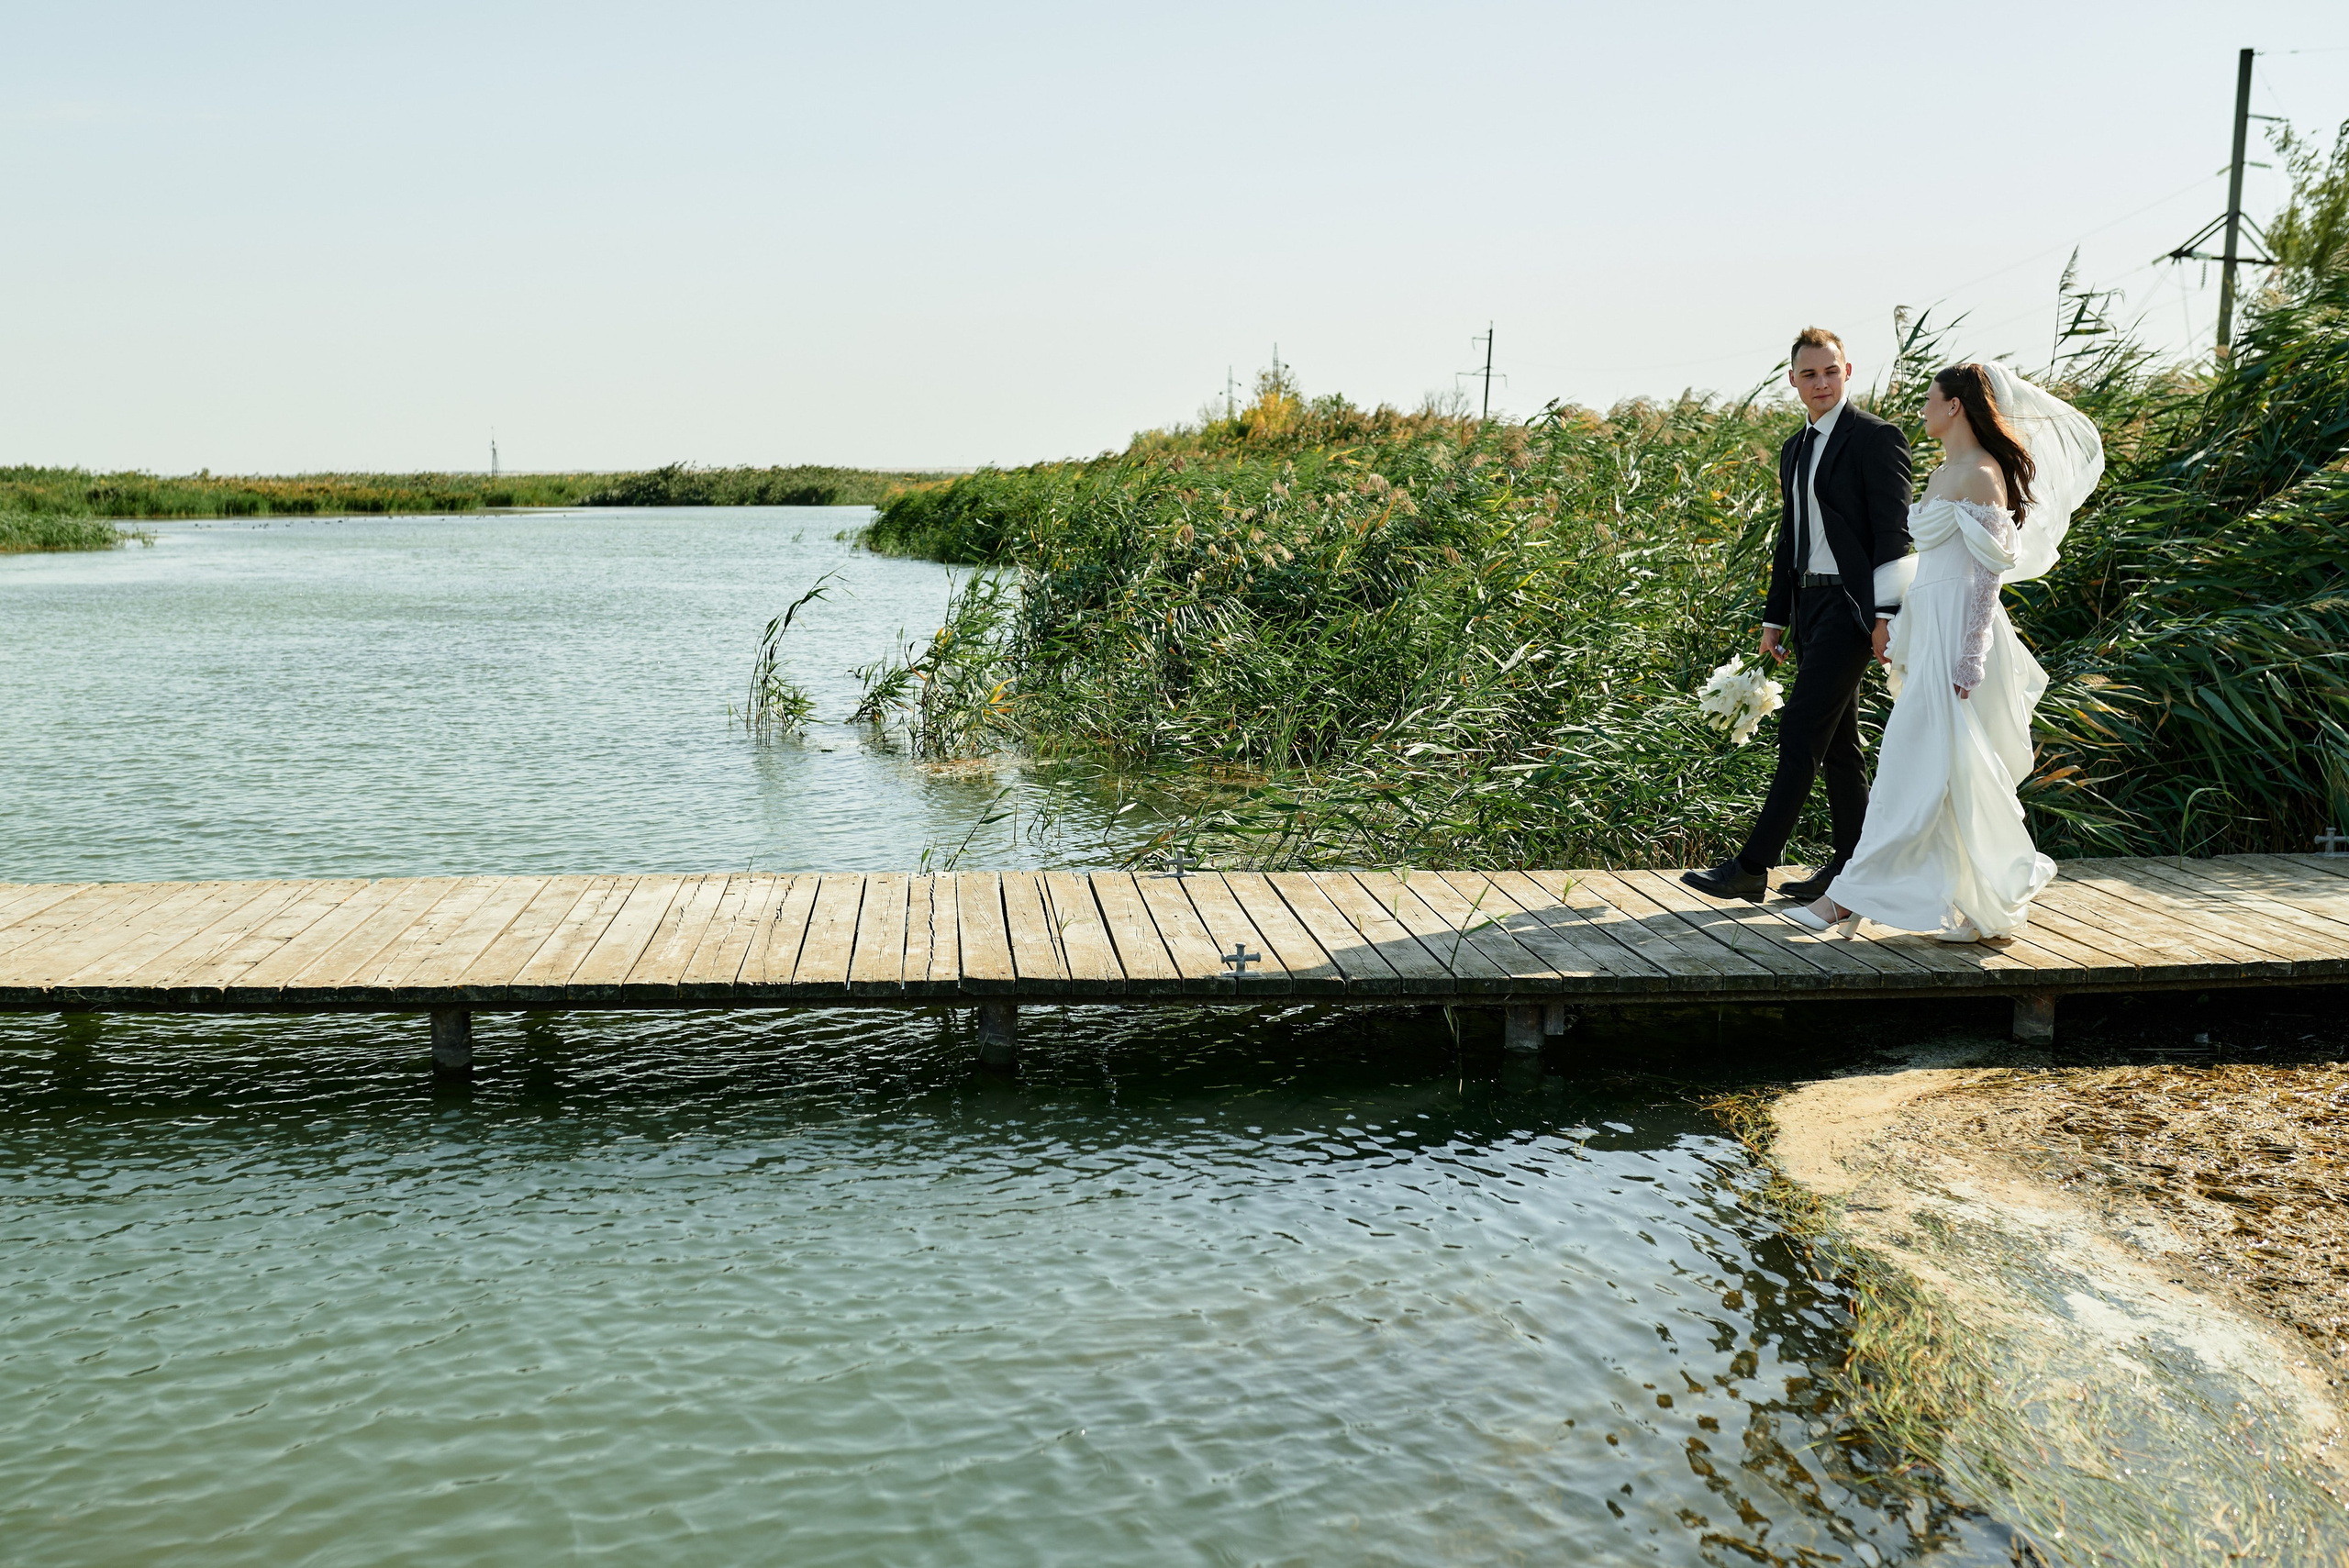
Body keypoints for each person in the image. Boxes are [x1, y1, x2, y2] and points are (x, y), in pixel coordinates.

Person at [1789, 361, 2104, 941]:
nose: (1925, 409)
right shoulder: (1943, 473)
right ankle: (1982, 903)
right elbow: (1928, 565)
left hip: (1959, 632)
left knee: (1911, 761)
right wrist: (1902, 626)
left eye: (1932, 399)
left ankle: (1847, 898)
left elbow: (1987, 575)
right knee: (1945, 768)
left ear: (1955, 406)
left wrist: (1970, 655)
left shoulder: (1982, 474)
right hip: (1930, 625)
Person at [1683, 328, 1914, 906]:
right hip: (1809, 605)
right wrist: (1775, 619)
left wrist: (1886, 614)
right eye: (1809, 374)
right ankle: (1850, 871)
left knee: (1801, 729)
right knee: (1838, 744)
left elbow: (1894, 535)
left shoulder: (1876, 439)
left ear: (1848, 371)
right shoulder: (1795, 447)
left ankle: (1752, 866)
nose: (1820, 383)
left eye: (1830, 371)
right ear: (1792, 380)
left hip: (1853, 606)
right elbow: (1791, 536)